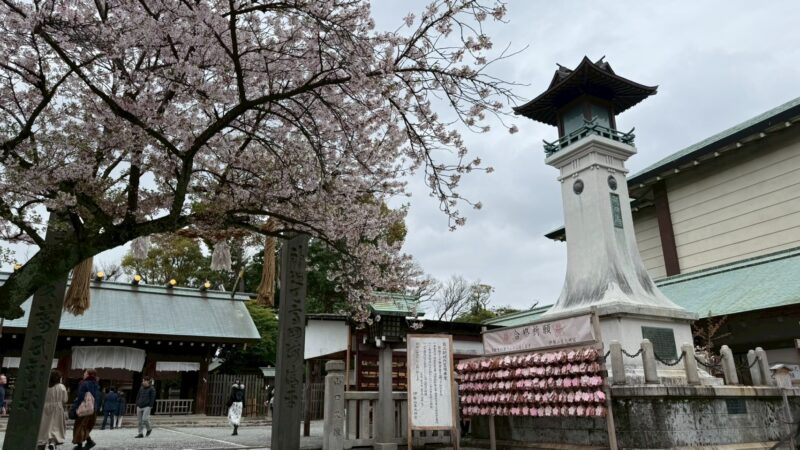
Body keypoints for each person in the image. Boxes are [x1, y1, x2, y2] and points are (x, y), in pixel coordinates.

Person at [37, 370, 68, 450]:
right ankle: (52, 442)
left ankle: (42, 443)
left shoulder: (44, 386)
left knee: (45, 426)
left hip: (45, 407)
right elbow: (65, 400)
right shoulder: (61, 387)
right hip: (57, 407)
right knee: (55, 426)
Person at [70, 368, 100, 450]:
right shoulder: (96, 384)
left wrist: (75, 408)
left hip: (84, 408)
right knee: (84, 426)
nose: (83, 374)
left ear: (88, 374)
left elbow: (80, 398)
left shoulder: (84, 384)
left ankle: (82, 444)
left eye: (85, 373)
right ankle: (86, 442)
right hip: (92, 409)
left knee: (79, 426)